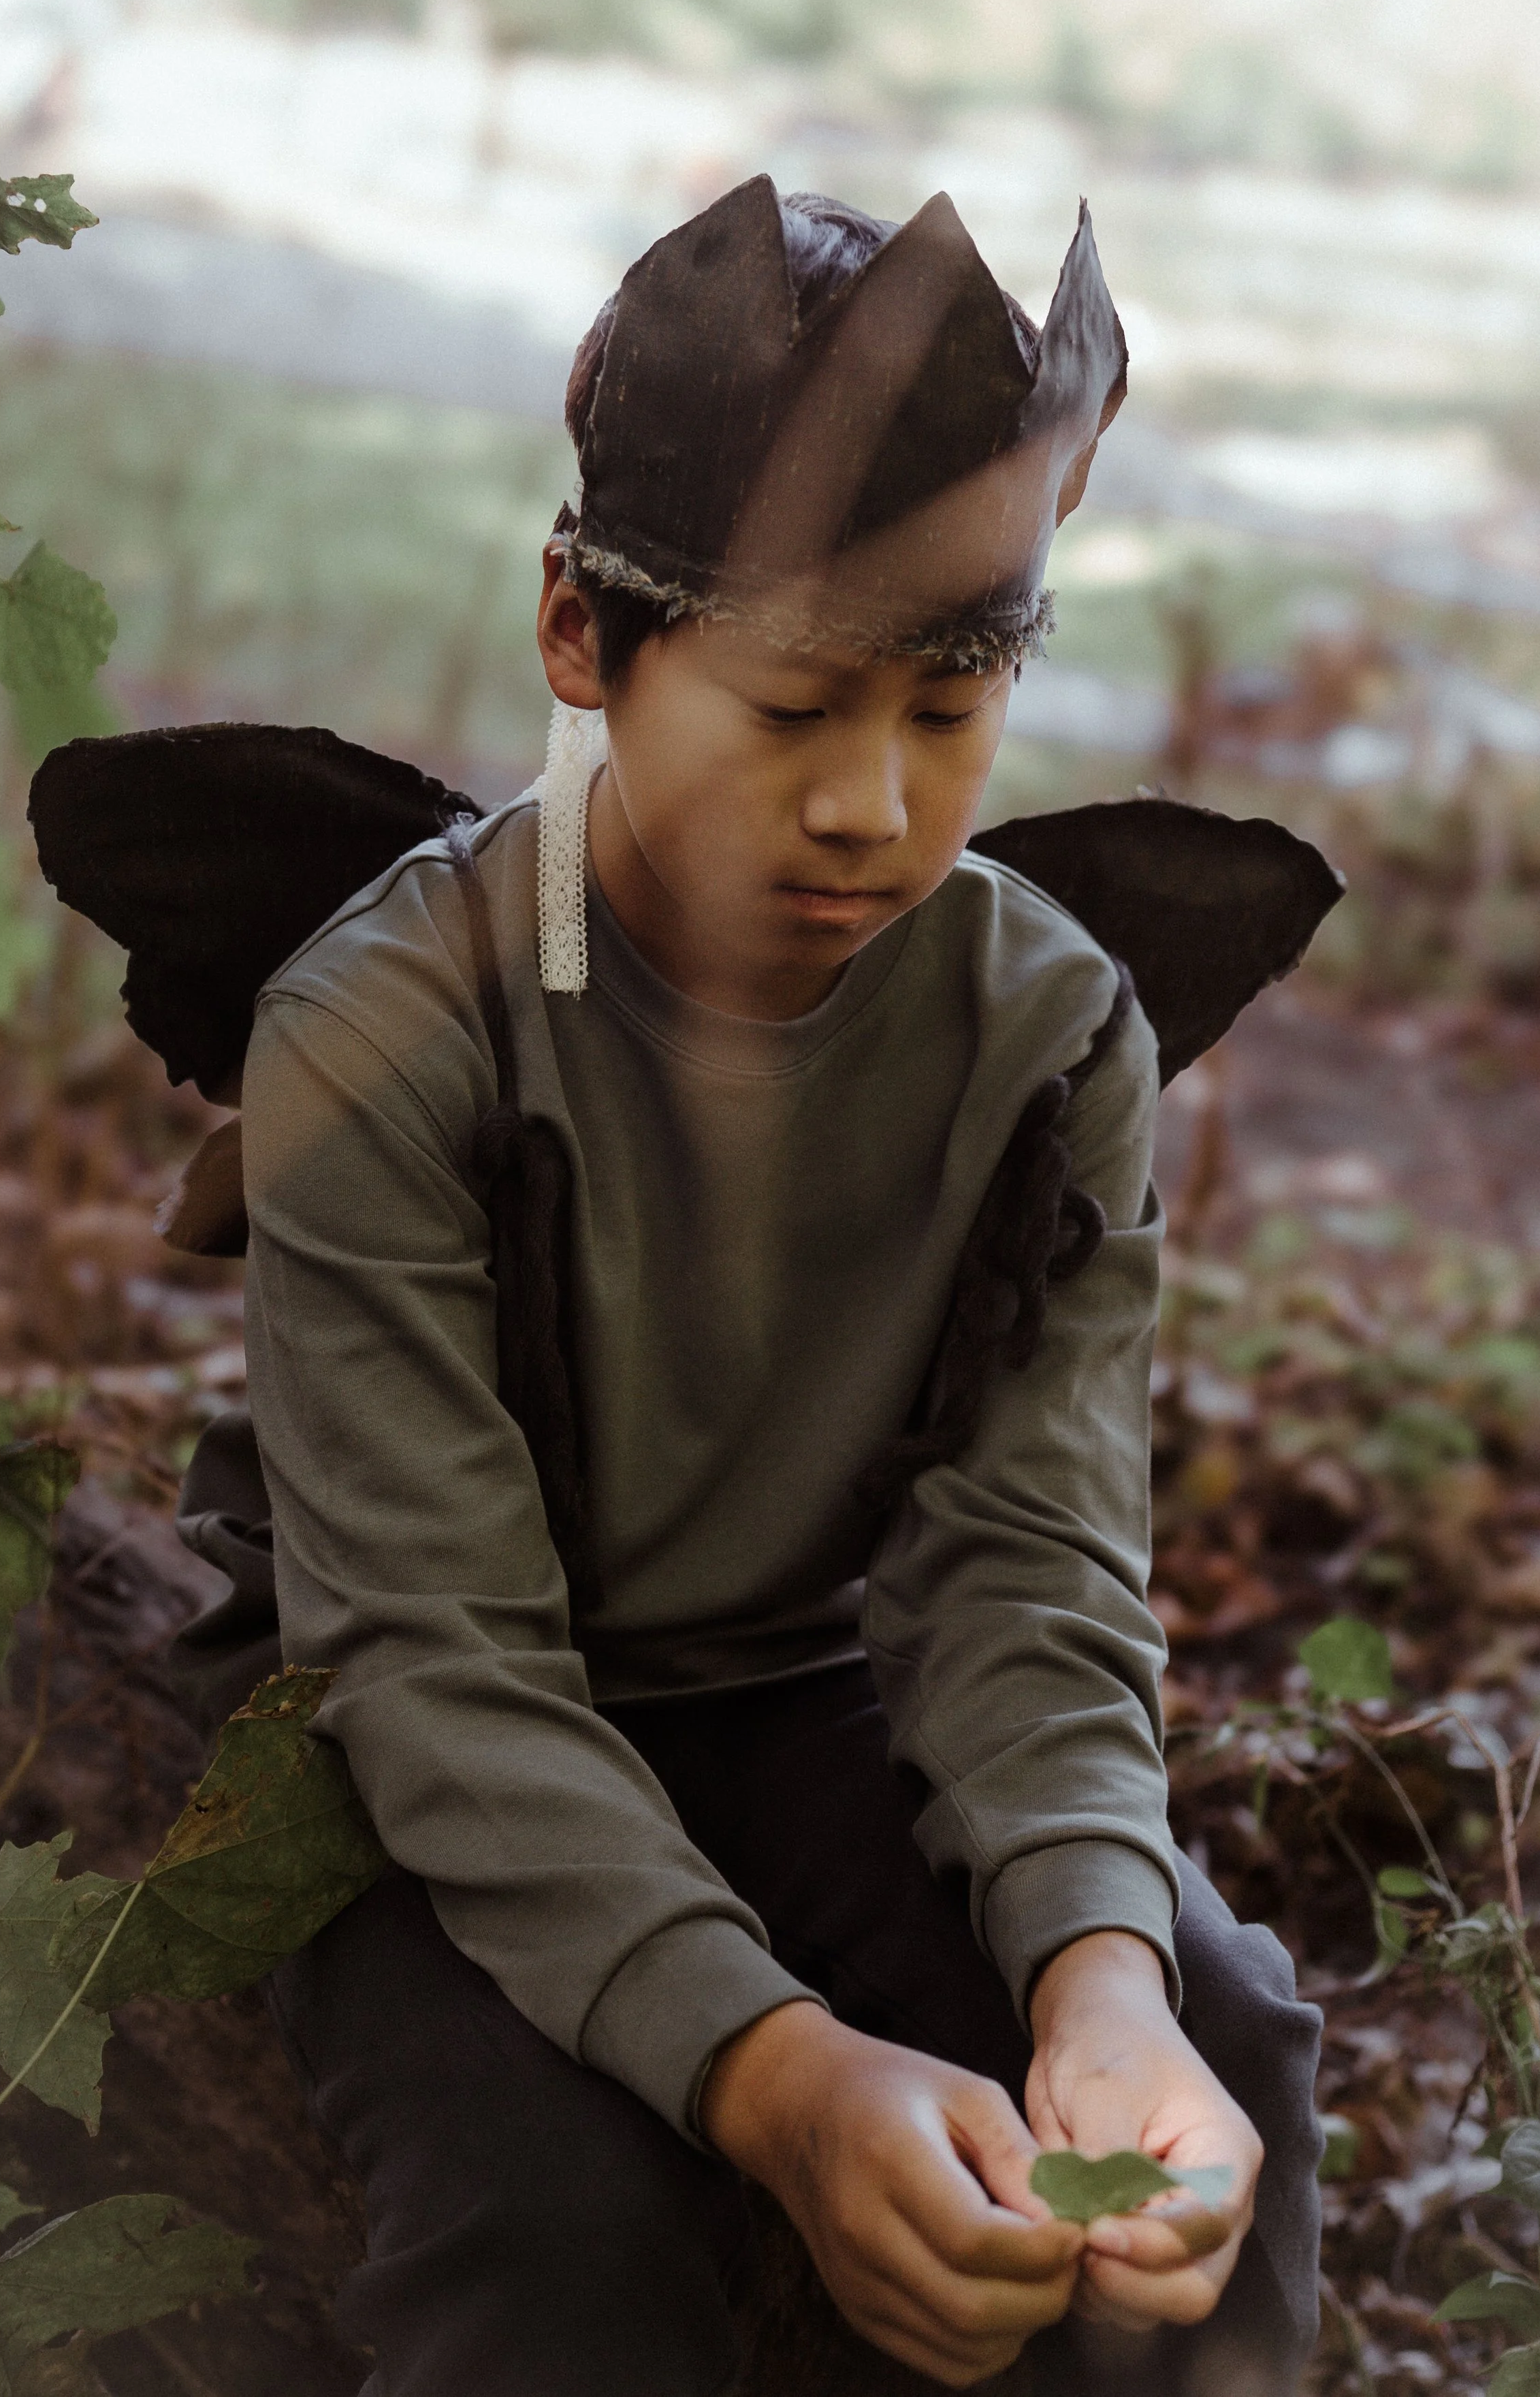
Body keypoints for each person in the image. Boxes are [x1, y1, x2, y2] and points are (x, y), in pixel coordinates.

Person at [199, 181, 1324, 2394]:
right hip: (414, 1727)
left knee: (1214, 2032)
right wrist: (780, 2078)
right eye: (792, 704)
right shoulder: (394, 1029)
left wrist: (1097, 1971)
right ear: (576, 628)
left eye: (946, 710)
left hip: (807, 1682)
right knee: (560, 2210)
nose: (867, 808)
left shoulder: (1046, 1028)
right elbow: (432, 1658)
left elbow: (1029, 1568)